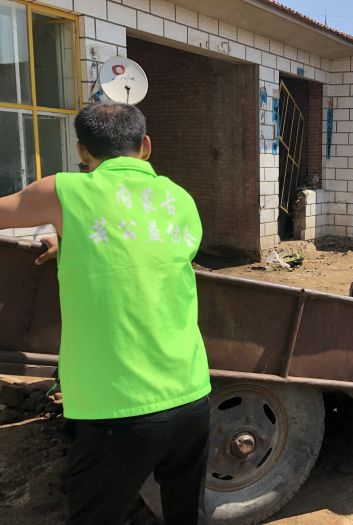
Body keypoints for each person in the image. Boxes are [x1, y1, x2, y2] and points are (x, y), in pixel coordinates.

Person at [0, 102, 211, 523]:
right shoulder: (180, 198)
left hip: (117, 409)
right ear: (145, 145)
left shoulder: (64, 191)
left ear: (82, 150)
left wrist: (70, 236)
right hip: (191, 397)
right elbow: (147, 253)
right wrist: (72, 241)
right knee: (186, 515)